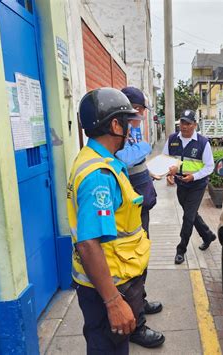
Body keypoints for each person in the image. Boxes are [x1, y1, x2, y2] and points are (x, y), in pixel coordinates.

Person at [67, 87, 165, 354]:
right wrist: (113, 301)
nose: (131, 128)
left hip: (111, 278)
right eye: (127, 122)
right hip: (108, 285)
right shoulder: (99, 174)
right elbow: (88, 244)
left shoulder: (95, 159)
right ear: (114, 125)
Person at [114, 86, 163, 347]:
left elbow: (138, 157)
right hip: (128, 212)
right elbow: (125, 159)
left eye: (143, 109)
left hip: (141, 206)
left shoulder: (133, 131)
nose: (142, 114)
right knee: (132, 263)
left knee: (141, 258)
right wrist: (142, 149)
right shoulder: (118, 135)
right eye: (139, 109)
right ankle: (135, 324)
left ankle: (139, 302)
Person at [163, 109, 217, 264]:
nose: (184, 126)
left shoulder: (202, 142)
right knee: (191, 214)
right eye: (182, 122)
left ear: (195, 125)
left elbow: (209, 167)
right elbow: (165, 159)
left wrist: (194, 176)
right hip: (181, 184)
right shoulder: (173, 139)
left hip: (197, 185)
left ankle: (181, 250)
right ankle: (207, 235)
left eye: (188, 123)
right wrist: (168, 174)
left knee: (188, 217)